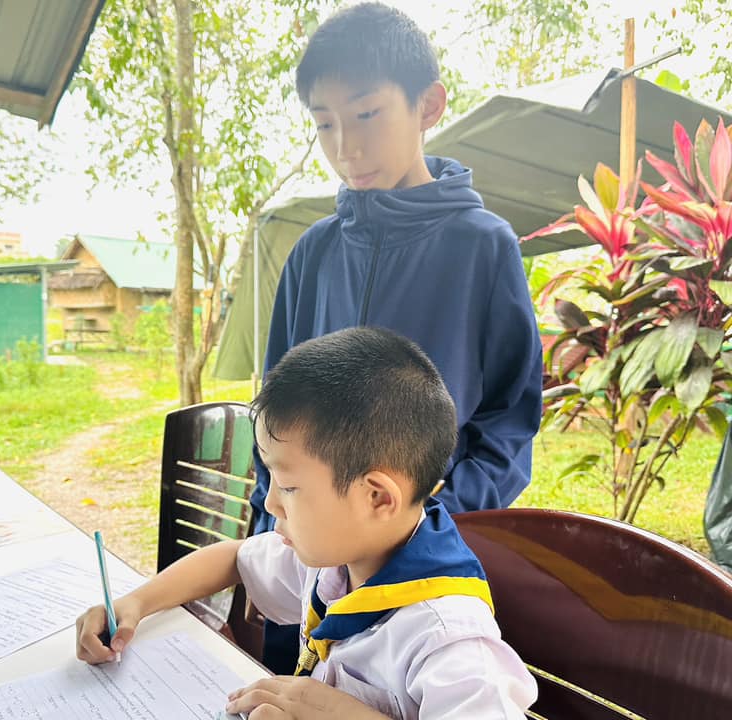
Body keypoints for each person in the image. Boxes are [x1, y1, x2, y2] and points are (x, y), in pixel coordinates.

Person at [251, 2, 543, 673]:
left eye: (367, 114)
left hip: (418, 560)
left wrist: (433, 512)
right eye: (324, 123)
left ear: (428, 105)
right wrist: (277, 519)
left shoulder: (483, 246)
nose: (345, 147)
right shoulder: (313, 253)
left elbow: (511, 419)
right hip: (311, 556)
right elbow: (273, 404)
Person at [76, 327, 537, 720]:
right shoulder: (337, 560)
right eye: (270, 478)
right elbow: (234, 558)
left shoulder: (449, 644)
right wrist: (135, 603)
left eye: (290, 487)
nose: (271, 502)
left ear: (376, 497)